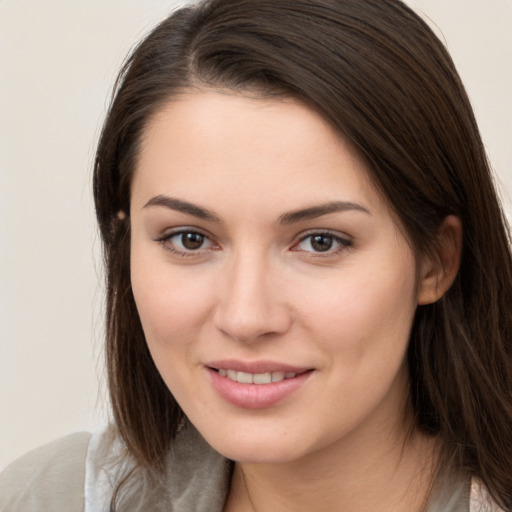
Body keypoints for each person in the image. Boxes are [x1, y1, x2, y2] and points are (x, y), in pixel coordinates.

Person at [1, 0, 511, 510]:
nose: (246, 317)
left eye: (320, 242)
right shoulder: (48, 497)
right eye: (189, 239)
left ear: (435, 261)